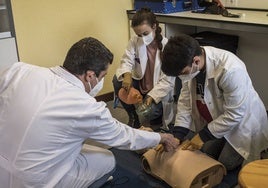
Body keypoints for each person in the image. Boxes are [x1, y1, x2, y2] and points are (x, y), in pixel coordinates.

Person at [0, 37, 180, 188]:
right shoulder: (85, 106)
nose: (101, 81)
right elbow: (123, 136)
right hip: (32, 182)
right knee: (107, 159)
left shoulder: (19, 70)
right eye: (102, 77)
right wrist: (160, 138)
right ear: (90, 75)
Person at [161, 34, 268, 187]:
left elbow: (234, 114)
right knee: (206, 153)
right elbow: (185, 102)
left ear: (196, 61)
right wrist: (177, 135)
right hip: (217, 119)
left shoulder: (230, 69)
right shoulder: (190, 67)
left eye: (183, 73)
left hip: (242, 122)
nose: (182, 77)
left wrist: (204, 136)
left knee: (225, 163)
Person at [113, 8, 176, 129]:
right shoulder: (135, 41)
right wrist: (127, 74)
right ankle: (133, 117)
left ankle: (155, 119)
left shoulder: (168, 47)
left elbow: (168, 81)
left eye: (145, 33)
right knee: (117, 81)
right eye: (138, 35)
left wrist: (151, 97)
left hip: (157, 90)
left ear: (154, 26)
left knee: (151, 111)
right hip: (140, 83)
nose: (142, 38)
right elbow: (127, 59)